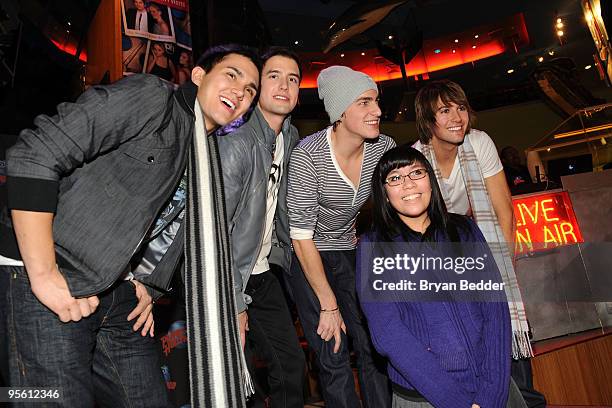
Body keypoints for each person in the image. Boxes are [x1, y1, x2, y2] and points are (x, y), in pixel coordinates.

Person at [0, 44, 261, 407]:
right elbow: (34, 153)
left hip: (117, 290)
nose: (240, 91)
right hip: (47, 273)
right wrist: (42, 273)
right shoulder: (153, 98)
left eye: (250, 89)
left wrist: (149, 285)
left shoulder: (206, 155)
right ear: (198, 76)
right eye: (232, 75)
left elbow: (175, 230)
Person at [357, 144, 524, 407]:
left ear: (431, 182)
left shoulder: (464, 230)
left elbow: (495, 308)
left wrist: (491, 394)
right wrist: (455, 402)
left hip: (494, 391)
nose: (408, 184)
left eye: (416, 173)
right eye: (395, 178)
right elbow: (388, 333)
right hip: (426, 397)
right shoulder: (373, 247)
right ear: (385, 194)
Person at [413, 79, 546, 407]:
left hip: (479, 243)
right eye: (445, 110)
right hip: (440, 253)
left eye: (461, 108)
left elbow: (504, 210)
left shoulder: (479, 142)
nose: (457, 116)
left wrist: (503, 272)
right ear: (428, 120)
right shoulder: (416, 161)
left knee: (508, 337)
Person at [287, 65, 395, 408]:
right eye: (364, 102)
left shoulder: (382, 148)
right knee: (332, 350)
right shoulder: (308, 156)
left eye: (376, 101)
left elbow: (400, 202)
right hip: (306, 256)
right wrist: (328, 304)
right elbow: (301, 237)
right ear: (340, 110)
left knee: (371, 344)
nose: (376, 111)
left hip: (348, 249)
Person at [218, 46, 305, 408]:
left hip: (262, 269)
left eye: (293, 79)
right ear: (256, 87)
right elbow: (217, 229)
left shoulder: (290, 136)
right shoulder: (236, 139)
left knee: (290, 368)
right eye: (274, 76)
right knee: (231, 379)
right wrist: (234, 299)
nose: (284, 86)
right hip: (226, 273)